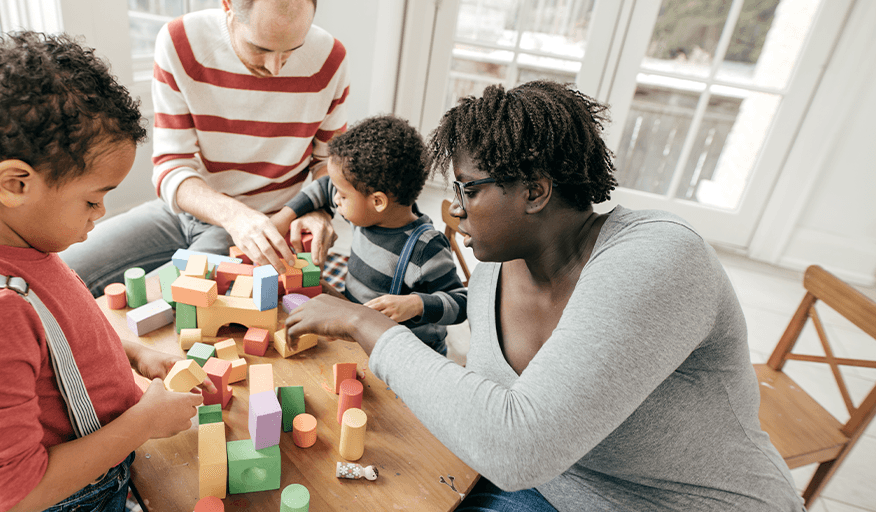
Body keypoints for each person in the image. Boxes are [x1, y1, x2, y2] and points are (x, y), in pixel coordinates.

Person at [286, 81, 805, 511]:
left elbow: (517, 447)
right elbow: (495, 420)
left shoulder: (659, 260)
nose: (454, 208)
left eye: (469, 189)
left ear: (535, 191)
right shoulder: (496, 271)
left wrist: (364, 322)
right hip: (553, 489)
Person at [0, 31, 214, 512]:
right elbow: (14, 495)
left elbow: (55, 335)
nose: (99, 214)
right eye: (92, 199)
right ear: (16, 184)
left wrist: (131, 354)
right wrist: (143, 423)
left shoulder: (19, 242)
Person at [60, 0, 350, 297]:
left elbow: (327, 164)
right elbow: (171, 165)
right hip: (187, 211)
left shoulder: (331, 58)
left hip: (270, 228)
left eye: (293, 49)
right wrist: (236, 216)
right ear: (228, 6)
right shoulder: (181, 42)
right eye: (260, 49)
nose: (275, 68)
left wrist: (319, 209)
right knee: (59, 276)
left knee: (158, 309)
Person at [270, 115, 466, 355]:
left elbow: (462, 303)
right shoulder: (365, 214)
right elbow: (323, 187)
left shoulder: (426, 249)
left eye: (342, 195)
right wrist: (283, 218)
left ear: (377, 201)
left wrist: (416, 304)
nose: (335, 199)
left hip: (408, 357)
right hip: (359, 335)